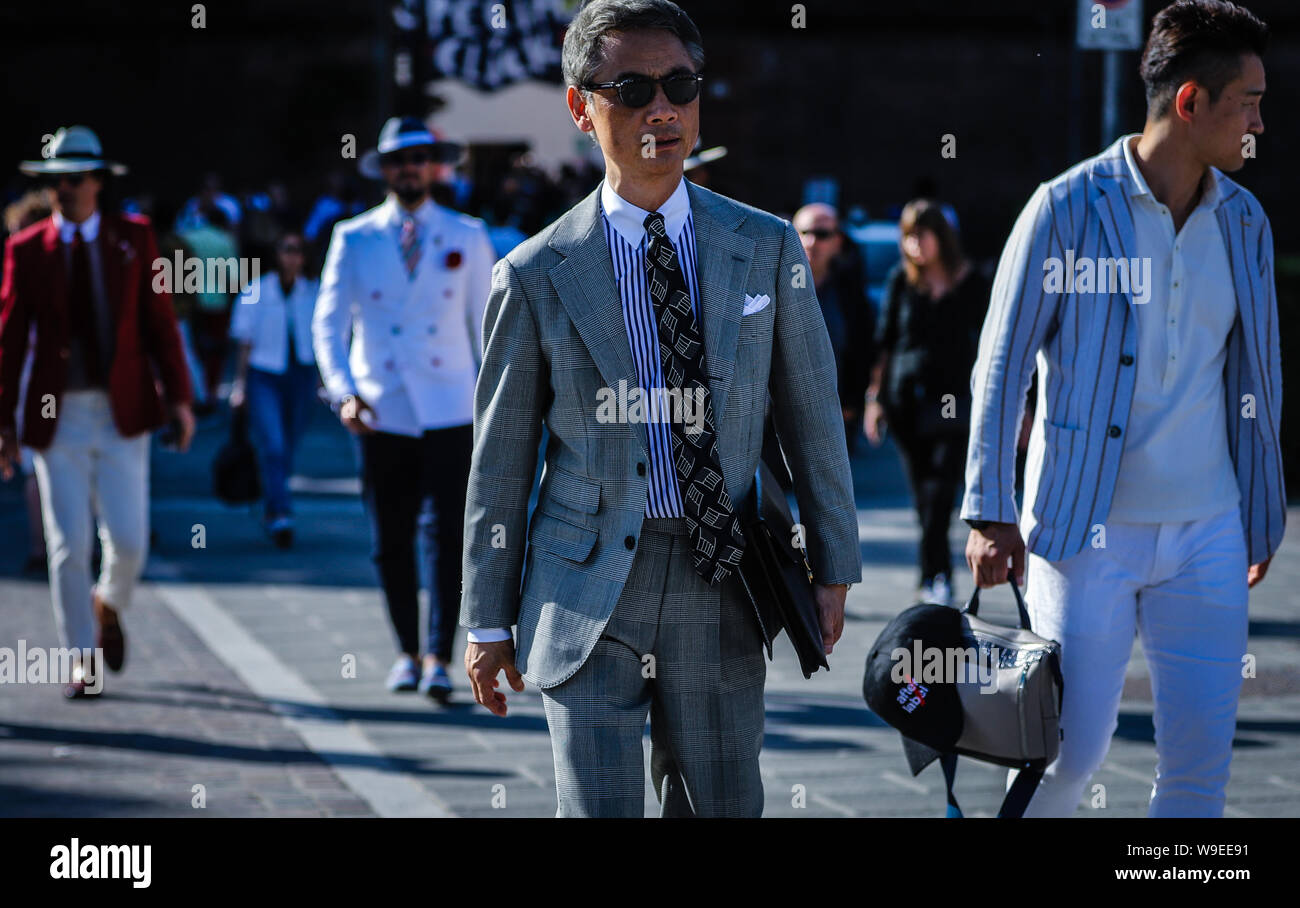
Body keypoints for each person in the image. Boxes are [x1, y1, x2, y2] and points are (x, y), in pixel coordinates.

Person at [460, 0, 861, 817]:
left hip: (725, 571)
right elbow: (501, 460)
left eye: (679, 84)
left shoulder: (766, 244)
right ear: (581, 107)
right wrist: (485, 619)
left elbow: (812, 413)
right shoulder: (535, 274)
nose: (662, 109)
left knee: (722, 806)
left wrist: (834, 560)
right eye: (633, 88)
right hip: (586, 587)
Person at [962, 0, 1282, 817]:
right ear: (1189, 103)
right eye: (1247, 101)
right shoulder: (1066, 209)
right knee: (1066, 758)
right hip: (1081, 534)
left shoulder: (1245, 223)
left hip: (1208, 534)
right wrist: (990, 513)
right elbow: (1000, 370)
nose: (1259, 120)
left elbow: (1256, 375)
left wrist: (1260, 510)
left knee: (1200, 772)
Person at [0, 126, 195, 698]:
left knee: (130, 539)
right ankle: (80, 659)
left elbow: (160, 322)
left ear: (99, 183)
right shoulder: (27, 249)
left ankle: (108, 601)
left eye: (78, 179)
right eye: (57, 181)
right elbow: (9, 340)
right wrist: (3, 425)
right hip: (54, 415)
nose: (67, 189)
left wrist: (180, 399)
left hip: (121, 413)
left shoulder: (133, 239)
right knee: (67, 543)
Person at [313, 116, 495, 703]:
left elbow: (484, 327)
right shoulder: (355, 236)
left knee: (447, 537)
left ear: (435, 166)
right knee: (389, 538)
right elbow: (329, 322)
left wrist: (493, 404)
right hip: (381, 407)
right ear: (385, 170)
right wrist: (341, 389)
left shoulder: (466, 234)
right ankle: (405, 652)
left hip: (448, 406)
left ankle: (439, 655)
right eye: (398, 160)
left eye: (419, 158)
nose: (409, 169)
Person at [865, 199, 987, 606]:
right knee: (922, 493)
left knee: (941, 489)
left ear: (942, 237)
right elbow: (884, 343)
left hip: (953, 401)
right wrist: (874, 400)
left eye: (922, 234)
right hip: (905, 401)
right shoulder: (902, 281)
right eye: (908, 236)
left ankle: (933, 576)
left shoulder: (970, 282)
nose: (915, 244)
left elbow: (989, 343)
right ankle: (935, 574)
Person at [229, 231, 319, 547]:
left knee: (289, 446)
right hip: (264, 374)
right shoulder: (257, 290)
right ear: (276, 254)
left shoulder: (313, 291)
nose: (291, 257)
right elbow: (244, 341)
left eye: (297, 251)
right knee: (275, 445)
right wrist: (239, 385)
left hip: (301, 373)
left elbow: (323, 337)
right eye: (286, 250)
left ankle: (272, 503)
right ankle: (281, 512)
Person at [793, 203, 873, 451]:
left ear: (838, 241)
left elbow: (863, 346)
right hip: (780, 411)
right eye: (803, 233)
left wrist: (853, 400)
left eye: (822, 234)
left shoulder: (849, 290)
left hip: (834, 410)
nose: (812, 241)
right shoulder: (772, 282)